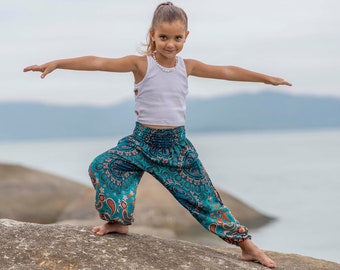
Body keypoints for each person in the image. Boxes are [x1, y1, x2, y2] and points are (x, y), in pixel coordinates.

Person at [24, 2, 291, 268]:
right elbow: (98, 62)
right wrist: (58, 63)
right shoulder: (140, 64)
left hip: (176, 149)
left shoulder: (187, 66)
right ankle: (118, 221)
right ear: (152, 34)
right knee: (104, 165)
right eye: (163, 37)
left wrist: (266, 78)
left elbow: (226, 71)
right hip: (140, 143)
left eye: (177, 38)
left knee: (206, 200)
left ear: (186, 37)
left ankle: (248, 247)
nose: (170, 44)